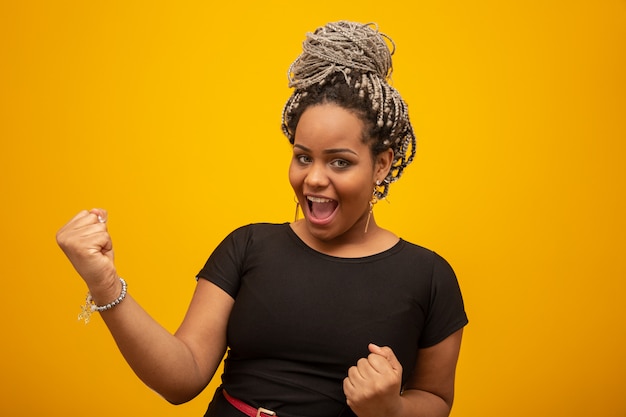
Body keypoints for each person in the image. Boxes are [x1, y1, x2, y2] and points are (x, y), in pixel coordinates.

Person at [57, 21, 468, 417]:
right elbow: (180, 379)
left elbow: (435, 398)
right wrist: (104, 283)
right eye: (303, 157)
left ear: (381, 165)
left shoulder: (429, 276)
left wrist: (391, 409)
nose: (314, 178)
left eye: (340, 162)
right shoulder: (248, 247)